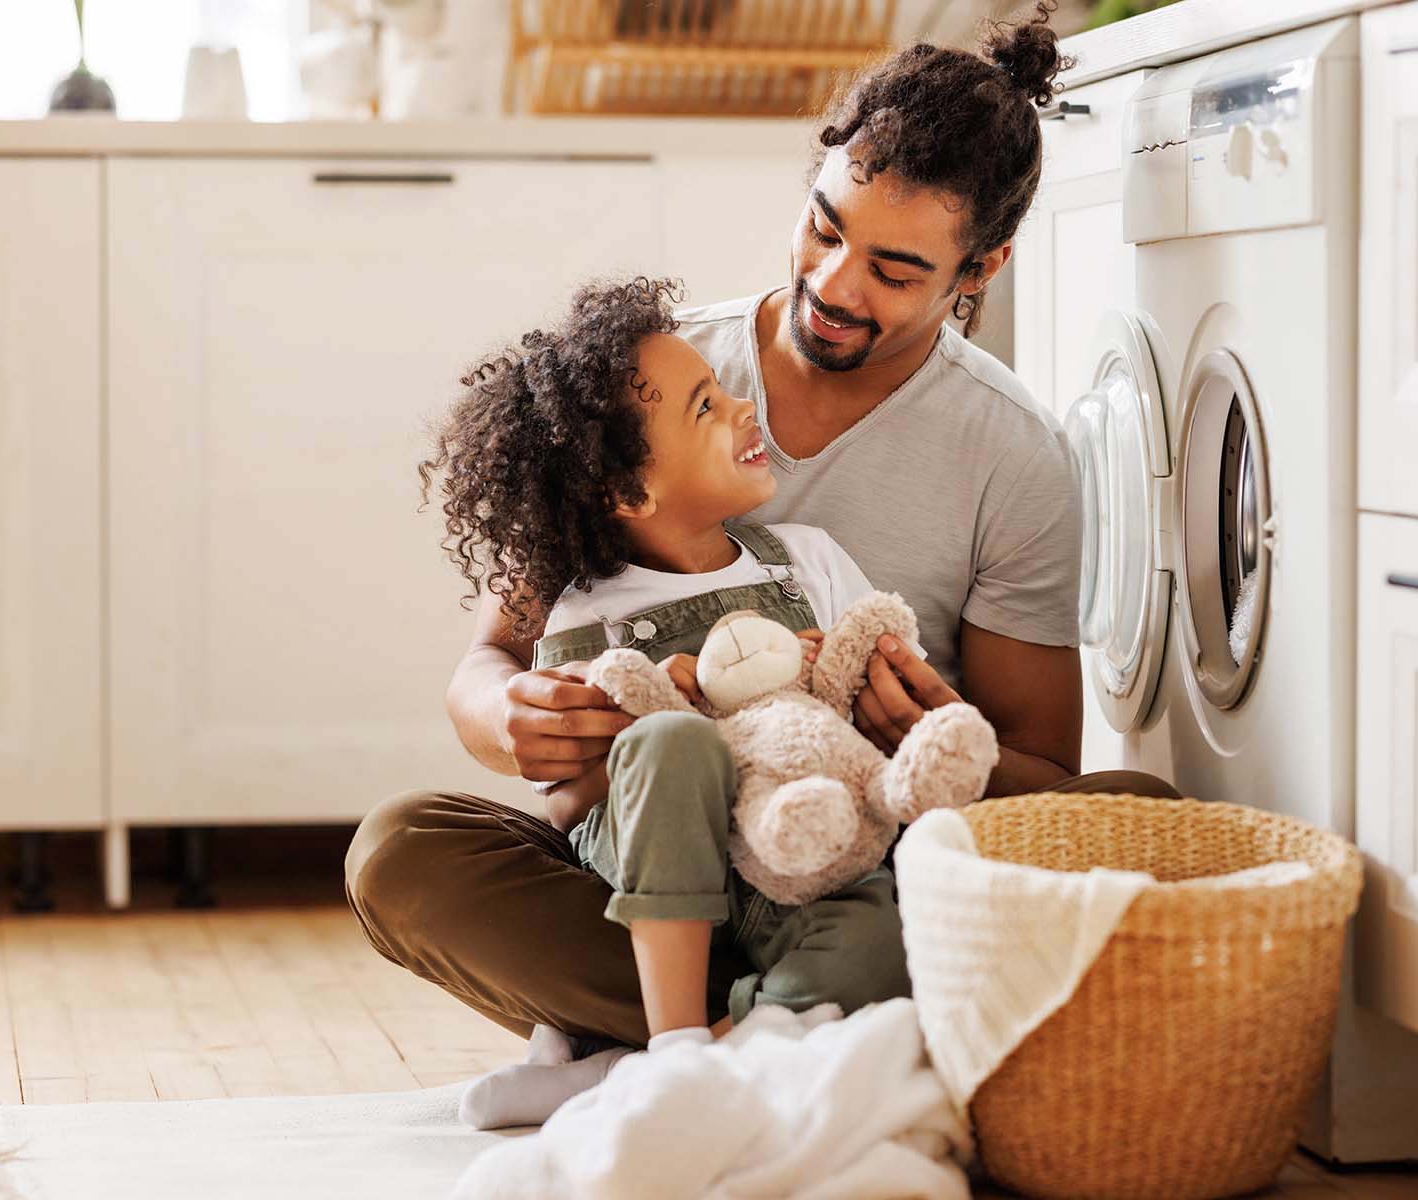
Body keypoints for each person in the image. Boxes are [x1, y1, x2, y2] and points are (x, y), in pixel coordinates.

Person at [345, 0, 1177, 1123]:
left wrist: (918, 731)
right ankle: (809, 1036)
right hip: (644, 864)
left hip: (856, 858)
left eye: (893, 268)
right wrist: (517, 715)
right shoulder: (665, 378)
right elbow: (488, 661)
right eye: (824, 227)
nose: (835, 284)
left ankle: (698, 1045)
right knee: (401, 851)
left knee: (1142, 818)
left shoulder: (1012, 457)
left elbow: (1044, 779)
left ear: (979, 268)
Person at [422, 274, 927, 1127]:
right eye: (704, 408)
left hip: (799, 866)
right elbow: (570, 807)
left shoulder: (806, 562)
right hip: (652, 893)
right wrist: (645, 725)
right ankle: (680, 1043)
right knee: (673, 746)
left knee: (885, 939)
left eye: (724, 392)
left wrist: (848, 695)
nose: (740, 409)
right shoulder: (588, 608)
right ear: (629, 496)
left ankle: (642, 1069)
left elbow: (864, 736)